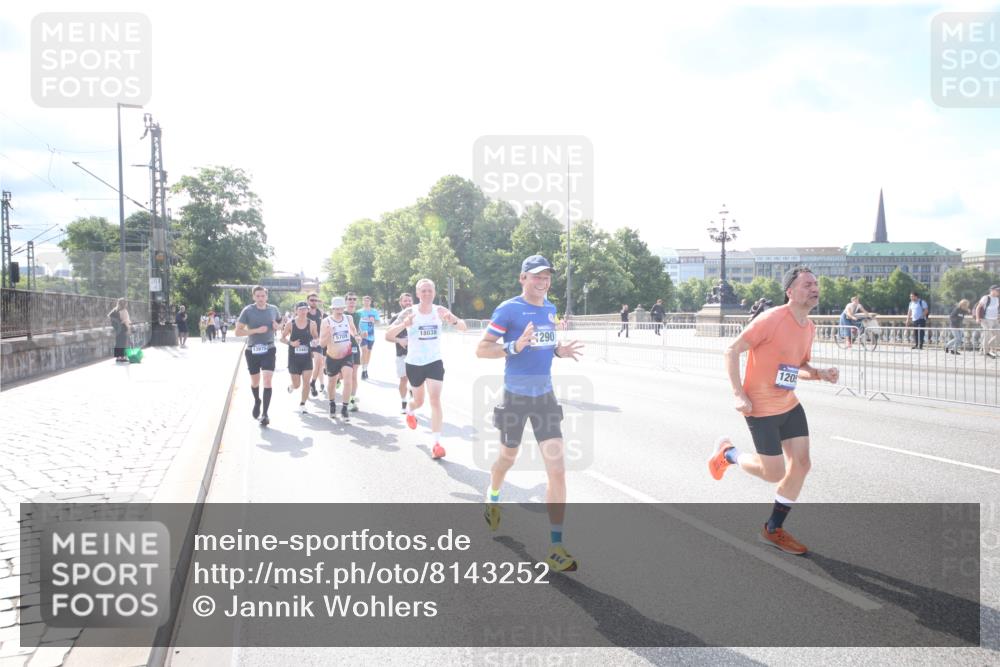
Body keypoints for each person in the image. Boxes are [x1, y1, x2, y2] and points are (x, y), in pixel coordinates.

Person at [709, 267, 839, 555]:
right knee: (773, 473)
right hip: (761, 407)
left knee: (802, 465)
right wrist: (738, 394)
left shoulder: (810, 326)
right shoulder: (771, 319)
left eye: (816, 283)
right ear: (790, 292)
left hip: (789, 404)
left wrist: (820, 373)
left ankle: (773, 528)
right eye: (807, 284)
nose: (814, 288)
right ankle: (728, 454)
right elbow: (731, 350)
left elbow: (797, 366)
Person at [477, 255, 585, 572]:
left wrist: (558, 350)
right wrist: (513, 347)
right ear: (523, 278)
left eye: (547, 276)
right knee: (507, 459)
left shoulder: (549, 309)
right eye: (537, 276)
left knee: (558, 470)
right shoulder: (508, 309)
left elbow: (544, 344)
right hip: (515, 398)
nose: (543, 281)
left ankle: (556, 546)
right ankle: (493, 496)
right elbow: (482, 349)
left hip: (545, 399)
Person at [385, 278, 467, 459]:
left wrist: (452, 320)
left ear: (435, 293)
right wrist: (403, 325)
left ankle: (436, 443)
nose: (427, 294)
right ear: (417, 294)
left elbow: (463, 328)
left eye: (430, 290)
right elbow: (388, 335)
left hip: (434, 362)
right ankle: (410, 410)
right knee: (419, 401)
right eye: (423, 291)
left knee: (435, 400)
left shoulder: (440, 311)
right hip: (414, 363)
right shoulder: (409, 312)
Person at [234, 286, 282, 427]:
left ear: (267, 296)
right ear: (254, 297)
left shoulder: (273, 309)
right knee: (255, 382)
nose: (261, 298)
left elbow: (280, 323)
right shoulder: (248, 311)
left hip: (269, 348)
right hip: (252, 350)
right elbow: (238, 332)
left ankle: (265, 414)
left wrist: (277, 326)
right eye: (258, 296)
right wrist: (255, 330)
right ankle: (257, 401)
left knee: (267, 381)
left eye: (263, 296)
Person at [320, 296, 362, 422]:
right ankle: (332, 404)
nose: (339, 310)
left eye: (341, 308)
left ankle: (344, 408)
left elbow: (353, 331)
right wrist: (329, 334)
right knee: (332, 383)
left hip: (347, 355)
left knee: (348, 378)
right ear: (333, 309)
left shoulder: (348, 318)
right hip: (332, 356)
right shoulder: (326, 322)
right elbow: (322, 344)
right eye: (337, 308)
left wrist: (356, 337)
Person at [281, 301, 318, 413]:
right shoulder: (290, 324)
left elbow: (316, 338)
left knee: (306, 382)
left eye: (305, 309)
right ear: (296, 311)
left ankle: (302, 404)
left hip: (307, 357)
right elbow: (282, 338)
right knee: (297, 384)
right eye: (300, 309)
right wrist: (291, 344)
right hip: (294, 358)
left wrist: (315, 342)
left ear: (308, 310)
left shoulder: (312, 324)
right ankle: (292, 386)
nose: (303, 311)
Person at [385, 292, 414, 414]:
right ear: (400, 303)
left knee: (416, 379)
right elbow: (387, 335)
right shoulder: (396, 317)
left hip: (417, 354)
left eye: (409, 300)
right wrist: (399, 340)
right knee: (404, 379)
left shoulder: (418, 315)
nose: (407, 303)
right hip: (402, 353)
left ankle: (413, 398)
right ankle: (404, 402)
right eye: (405, 301)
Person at [305, 292, 326, 397]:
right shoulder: (304, 312)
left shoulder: (321, 313)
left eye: (316, 300)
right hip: (305, 343)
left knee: (319, 363)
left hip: (317, 342)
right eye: (312, 300)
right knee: (306, 368)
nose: (314, 302)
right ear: (308, 301)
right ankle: (305, 386)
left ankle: (312, 383)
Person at [345, 292, 363, 412]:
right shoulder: (341, 313)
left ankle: (351, 401)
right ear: (345, 301)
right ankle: (337, 380)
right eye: (350, 299)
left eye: (354, 299)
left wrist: (361, 335)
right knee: (342, 375)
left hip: (355, 347)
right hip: (342, 347)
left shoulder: (358, 314)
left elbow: (358, 328)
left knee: (353, 375)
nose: (352, 301)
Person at [357, 295, 381, 381]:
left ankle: (365, 369)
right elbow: (356, 324)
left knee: (368, 353)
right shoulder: (359, 312)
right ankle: (362, 370)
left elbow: (378, 322)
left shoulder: (374, 311)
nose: (366, 302)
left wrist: (373, 320)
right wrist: (360, 332)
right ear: (363, 302)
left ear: (370, 302)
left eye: (368, 301)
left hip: (371, 335)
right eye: (365, 301)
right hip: (363, 335)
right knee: (364, 350)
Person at [975, 285, 1000, 358]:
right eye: (997, 290)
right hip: (986, 320)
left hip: (995, 320)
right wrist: (977, 318)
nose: (998, 291)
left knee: (998, 336)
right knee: (987, 335)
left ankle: (985, 347)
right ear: (992, 290)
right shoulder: (986, 298)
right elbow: (978, 308)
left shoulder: (997, 299)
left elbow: (995, 309)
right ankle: (986, 352)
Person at [108, 298, 132, 362]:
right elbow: (126, 321)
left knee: (118, 343)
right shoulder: (124, 311)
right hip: (123, 329)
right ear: (125, 304)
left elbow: (109, 316)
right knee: (123, 343)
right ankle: (122, 357)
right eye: (126, 303)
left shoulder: (115, 310)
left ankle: (118, 357)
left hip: (117, 329)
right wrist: (129, 329)